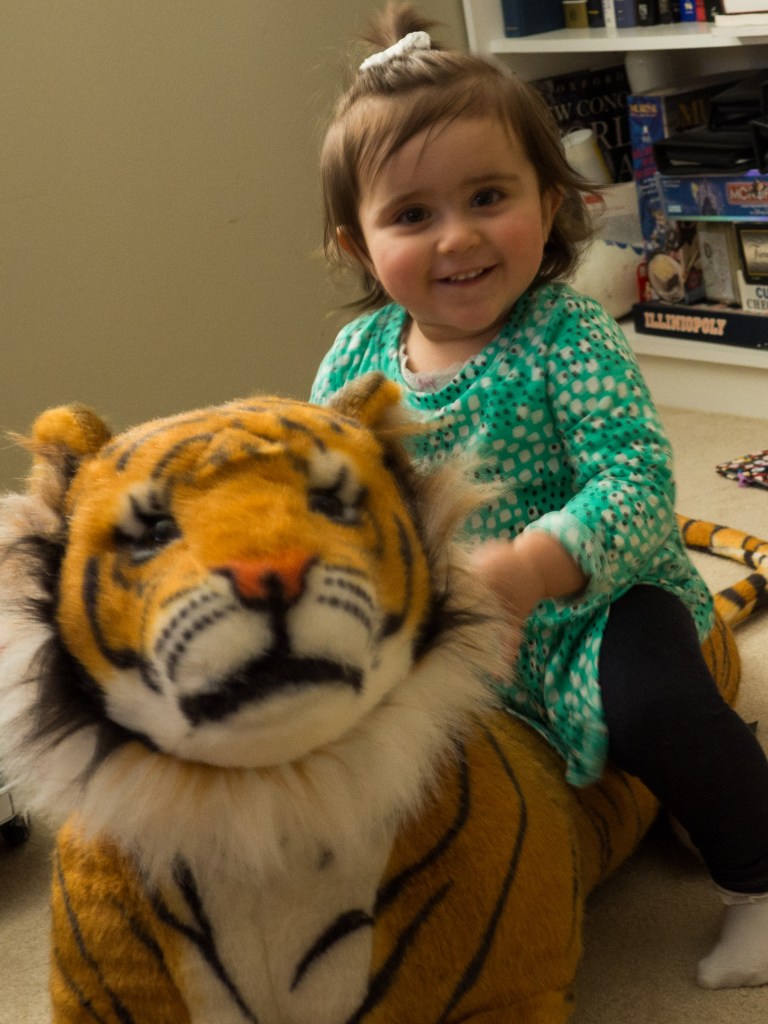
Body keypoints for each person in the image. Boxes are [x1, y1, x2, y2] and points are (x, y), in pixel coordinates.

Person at [310, 2, 768, 990]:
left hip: (597, 601)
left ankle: (756, 879)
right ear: (357, 243)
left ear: (550, 199)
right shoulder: (354, 360)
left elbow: (636, 480)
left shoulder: (569, 334)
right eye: (412, 215)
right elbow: (333, 496)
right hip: (453, 630)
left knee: (658, 706)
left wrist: (531, 566)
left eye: (488, 196)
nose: (459, 236)